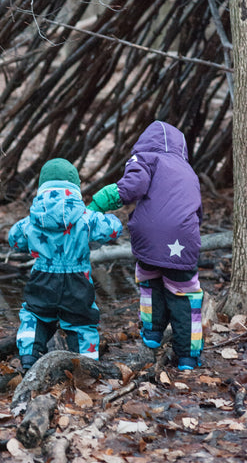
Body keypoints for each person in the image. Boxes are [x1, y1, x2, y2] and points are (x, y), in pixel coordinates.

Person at [88, 121, 204, 371]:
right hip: (182, 239)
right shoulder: (188, 171)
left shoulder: (144, 159)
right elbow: (197, 210)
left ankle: (152, 334)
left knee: (150, 284)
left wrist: (97, 205)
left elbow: (131, 188)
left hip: (148, 237)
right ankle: (188, 357)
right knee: (185, 296)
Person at [9, 157, 123, 371]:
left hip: (42, 277)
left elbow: (14, 239)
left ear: (42, 187)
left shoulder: (34, 219)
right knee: (81, 321)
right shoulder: (86, 218)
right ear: (75, 186)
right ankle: (86, 364)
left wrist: (32, 243)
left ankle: (28, 355)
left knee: (35, 315)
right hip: (77, 279)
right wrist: (97, 210)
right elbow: (114, 229)